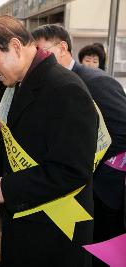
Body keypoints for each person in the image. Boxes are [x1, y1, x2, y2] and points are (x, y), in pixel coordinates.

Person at [0, 16, 98, 267]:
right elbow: (8, 145)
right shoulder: (18, 85)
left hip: (53, 233)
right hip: (25, 223)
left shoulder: (66, 89)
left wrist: (10, 188)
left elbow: (72, 171)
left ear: (15, 46)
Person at [32, 24, 126, 267]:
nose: (37, 59)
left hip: (105, 186)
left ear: (62, 48)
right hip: (75, 183)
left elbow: (123, 130)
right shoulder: (55, 83)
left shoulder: (96, 82)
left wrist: (84, 158)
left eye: (41, 51)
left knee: (103, 248)